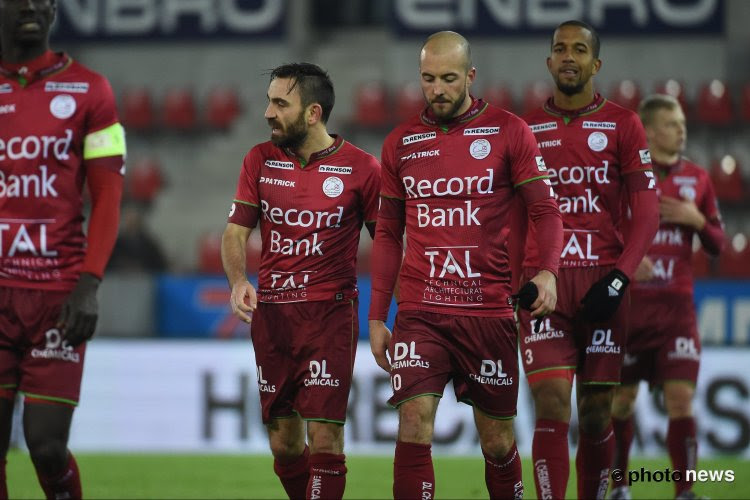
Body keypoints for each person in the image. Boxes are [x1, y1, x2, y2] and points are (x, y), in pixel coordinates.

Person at [369, 31, 563, 499]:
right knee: (413, 420)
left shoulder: (509, 131)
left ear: (471, 77)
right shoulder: (401, 143)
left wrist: (548, 272)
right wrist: (377, 315)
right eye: (428, 79)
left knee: (496, 441)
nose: (437, 89)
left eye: (449, 79)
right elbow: (388, 234)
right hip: (420, 311)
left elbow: (546, 211)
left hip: (488, 312)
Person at [221, 63, 380, 500]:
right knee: (284, 443)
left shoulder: (362, 168)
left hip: (330, 315)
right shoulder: (258, 159)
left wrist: (389, 311)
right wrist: (238, 281)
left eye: (279, 103)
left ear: (313, 113)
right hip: (272, 316)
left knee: (326, 441)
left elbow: (386, 245)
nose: (268, 113)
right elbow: (236, 233)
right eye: (269, 101)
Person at [517, 20, 660, 499]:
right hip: (546, 284)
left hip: (603, 282)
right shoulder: (525, 129)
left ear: (596, 64)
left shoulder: (623, 124)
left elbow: (647, 211)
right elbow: (510, 212)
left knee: (598, 409)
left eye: (580, 49)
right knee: (552, 402)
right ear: (549, 62)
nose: (569, 57)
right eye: (560, 49)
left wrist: (619, 280)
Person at [0, 0, 126, 498]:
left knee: (46, 447)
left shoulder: (92, 90)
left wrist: (90, 283)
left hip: (58, 296)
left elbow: (109, 195)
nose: (31, 5)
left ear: (54, 10)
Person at [609, 95, 725, 500]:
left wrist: (697, 221)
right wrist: (623, 260)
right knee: (621, 402)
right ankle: (619, 487)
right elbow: (595, 233)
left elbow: (717, 244)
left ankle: (686, 492)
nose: (683, 129)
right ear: (652, 130)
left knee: (681, 399)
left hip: (677, 312)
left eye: (682, 123)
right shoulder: (621, 179)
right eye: (674, 123)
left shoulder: (698, 178)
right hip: (629, 312)